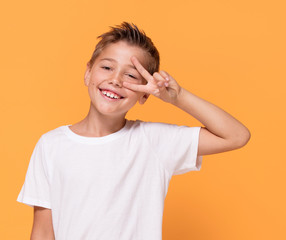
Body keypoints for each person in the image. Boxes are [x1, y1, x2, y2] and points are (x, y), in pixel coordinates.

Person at [17, 22, 251, 240]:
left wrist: (178, 98)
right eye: (107, 67)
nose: (115, 80)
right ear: (88, 72)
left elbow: (236, 136)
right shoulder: (51, 145)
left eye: (130, 75)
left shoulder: (153, 142)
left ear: (145, 94)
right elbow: (43, 231)